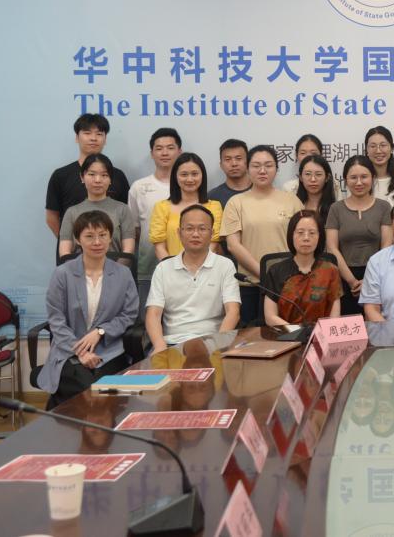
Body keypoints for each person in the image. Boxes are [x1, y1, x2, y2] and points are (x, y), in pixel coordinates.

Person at [37, 210, 139, 409]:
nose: (97, 242)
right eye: (89, 236)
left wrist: (101, 331)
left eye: (102, 235)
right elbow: (56, 319)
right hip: (68, 349)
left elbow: (129, 314)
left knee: (104, 392)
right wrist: (80, 351)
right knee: (87, 391)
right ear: (77, 240)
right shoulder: (62, 274)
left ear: (110, 237)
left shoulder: (123, 274)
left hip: (108, 350)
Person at [222, 145, 304, 325]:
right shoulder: (236, 202)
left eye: (268, 165)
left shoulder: (292, 200)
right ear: (247, 168)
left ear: (276, 168)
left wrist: (280, 278)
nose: (262, 170)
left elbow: (303, 240)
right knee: (251, 337)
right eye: (256, 165)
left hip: (288, 284)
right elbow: (233, 245)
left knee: (289, 335)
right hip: (251, 284)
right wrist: (266, 276)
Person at [146, 204, 241, 353]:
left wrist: (219, 345)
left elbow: (233, 312)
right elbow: (153, 314)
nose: (195, 234)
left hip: (213, 342)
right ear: (179, 233)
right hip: (173, 344)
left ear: (212, 233)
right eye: (189, 228)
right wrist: (159, 346)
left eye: (202, 229)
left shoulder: (225, 265)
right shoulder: (163, 268)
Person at [326, 156, 394, 316]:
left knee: (377, 325)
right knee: (348, 327)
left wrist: (369, 280)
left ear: (373, 178)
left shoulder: (384, 207)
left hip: (378, 276)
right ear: (345, 180)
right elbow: (332, 248)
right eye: (353, 177)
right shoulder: (336, 209)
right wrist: (352, 281)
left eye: (364, 177)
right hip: (343, 278)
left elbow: (387, 245)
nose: (358, 182)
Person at [45, 113, 129, 239]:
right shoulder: (61, 175)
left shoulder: (118, 175)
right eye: (87, 133)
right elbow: (51, 217)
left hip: (111, 249)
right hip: (72, 249)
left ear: (105, 139)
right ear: (77, 137)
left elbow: (126, 217)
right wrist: (69, 241)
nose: (93, 138)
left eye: (99, 134)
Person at [128, 128, 182, 306]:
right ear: (152, 153)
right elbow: (135, 229)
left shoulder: (189, 184)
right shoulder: (139, 187)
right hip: (148, 267)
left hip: (187, 267)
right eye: (159, 148)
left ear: (179, 151)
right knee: (149, 317)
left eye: (170, 148)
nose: (164, 153)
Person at [263, 211, 343, 326]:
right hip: (286, 334)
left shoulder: (331, 271)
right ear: (291, 235)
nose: (306, 238)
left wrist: (318, 333)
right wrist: (297, 332)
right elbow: (270, 317)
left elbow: (334, 317)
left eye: (312, 233)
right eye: (300, 232)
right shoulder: (276, 271)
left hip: (321, 334)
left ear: (320, 237)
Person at [58, 154, 136, 261]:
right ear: (82, 177)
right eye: (91, 174)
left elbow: (128, 251)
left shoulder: (123, 209)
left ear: (110, 179)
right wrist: (77, 270)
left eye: (104, 175)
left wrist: (116, 270)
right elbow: (65, 252)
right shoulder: (72, 212)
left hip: (116, 269)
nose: (98, 180)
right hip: (78, 270)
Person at [149, 153, 223, 260]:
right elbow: (159, 247)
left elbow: (213, 244)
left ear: (202, 175)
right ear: (175, 177)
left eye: (195, 174)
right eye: (184, 174)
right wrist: (172, 268)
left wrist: (198, 267)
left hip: (206, 267)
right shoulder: (161, 207)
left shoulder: (214, 207)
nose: (189, 179)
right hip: (170, 267)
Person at [207, 138, 252, 211]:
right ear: (221, 165)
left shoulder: (261, 191)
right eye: (228, 159)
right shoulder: (212, 197)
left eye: (238, 158)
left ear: (248, 162)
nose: (234, 164)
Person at [295, 154, 336, 222]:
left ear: (327, 177)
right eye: (308, 174)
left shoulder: (336, 208)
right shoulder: (294, 205)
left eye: (318, 174)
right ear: (300, 177)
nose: (313, 179)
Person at [364, 126, 394, 200]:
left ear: (392, 148)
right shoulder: (360, 183)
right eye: (373, 146)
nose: (378, 151)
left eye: (383, 145)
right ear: (366, 150)